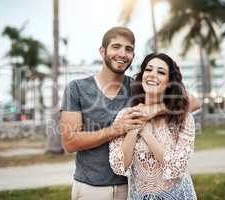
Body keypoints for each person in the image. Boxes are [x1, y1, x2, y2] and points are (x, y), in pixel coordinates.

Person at [60, 27, 200, 200]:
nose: (122, 53)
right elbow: (70, 142)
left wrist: (153, 110)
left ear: (133, 56)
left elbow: (192, 101)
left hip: (130, 189)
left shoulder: (138, 87)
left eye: (129, 49)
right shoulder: (76, 88)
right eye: (116, 46)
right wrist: (115, 129)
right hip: (91, 188)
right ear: (102, 51)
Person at [109, 53, 197, 200]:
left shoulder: (183, 119)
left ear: (170, 82)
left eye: (161, 72)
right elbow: (119, 166)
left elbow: (175, 168)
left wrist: (146, 133)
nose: (152, 75)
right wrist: (135, 126)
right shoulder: (126, 115)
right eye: (149, 70)